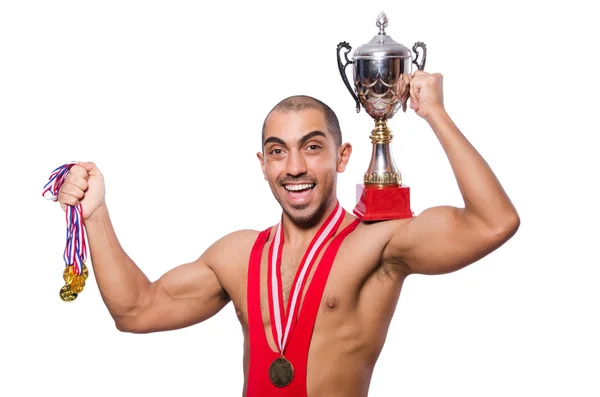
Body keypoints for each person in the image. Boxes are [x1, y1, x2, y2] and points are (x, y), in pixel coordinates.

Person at [56, 70, 520, 397]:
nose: (294, 167)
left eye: (312, 148)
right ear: (262, 165)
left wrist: (435, 113)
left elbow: (493, 222)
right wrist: (95, 214)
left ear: (342, 157)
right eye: (278, 151)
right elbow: (136, 311)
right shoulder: (236, 255)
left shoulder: (380, 244)